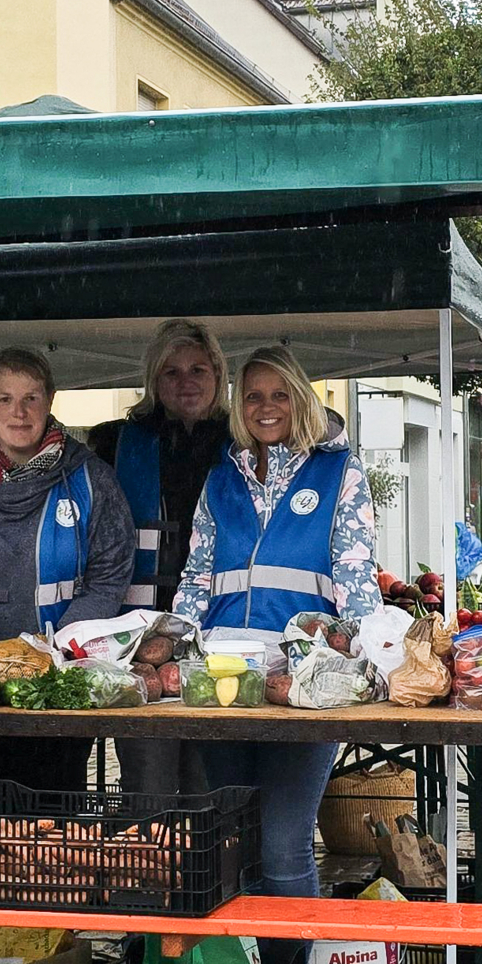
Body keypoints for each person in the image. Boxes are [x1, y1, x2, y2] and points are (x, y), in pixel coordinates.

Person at [172, 345, 381, 901]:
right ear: (240, 406)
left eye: (279, 394)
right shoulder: (221, 478)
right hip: (223, 681)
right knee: (232, 840)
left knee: (285, 843)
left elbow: (356, 576)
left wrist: (360, 664)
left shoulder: (340, 472)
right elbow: (196, 576)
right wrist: (174, 649)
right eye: (254, 396)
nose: (266, 408)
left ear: (301, 398)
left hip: (302, 685)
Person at [0, 346, 134, 795]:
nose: (19, 412)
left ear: (51, 400)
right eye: (5, 399)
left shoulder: (92, 479)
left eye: (31, 398)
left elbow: (110, 574)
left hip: (58, 688)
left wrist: (52, 656)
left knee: (51, 837)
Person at [88, 319, 230, 799]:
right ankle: (150, 870)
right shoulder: (114, 443)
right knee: (147, 781)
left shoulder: (243, 441)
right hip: (138, 629)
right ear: (153, 379)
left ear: (217, 374)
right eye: (170, 372)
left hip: (220, 626)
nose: (185, 381)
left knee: (211, 781)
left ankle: (215, 874)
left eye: (197, 369)